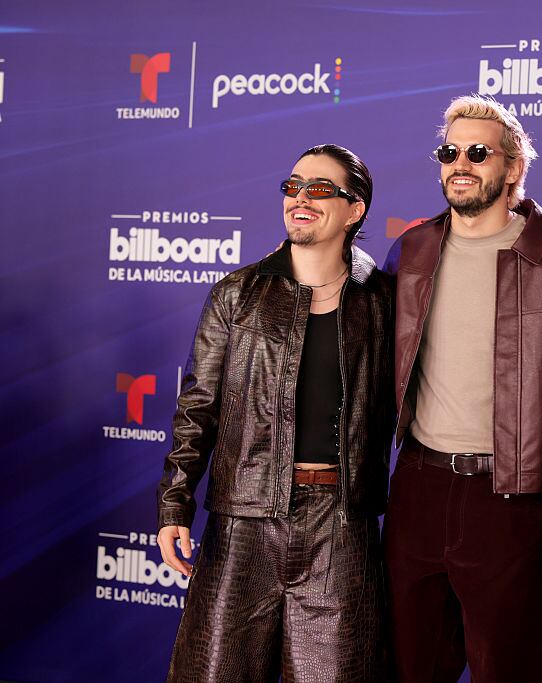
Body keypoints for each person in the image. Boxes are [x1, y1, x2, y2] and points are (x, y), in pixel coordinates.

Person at [156, 144, 393, 682]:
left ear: (355, 209)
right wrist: (174, 506)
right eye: (292, 186)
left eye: (319, 189)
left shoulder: (383, 300)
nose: (300, 198)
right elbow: (197, 410)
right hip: (242, 524)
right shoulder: (237, 295)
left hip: (343, 527)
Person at [382, 95, 542, 682]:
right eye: (449, 152)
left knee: (509, 669)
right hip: (417, 485)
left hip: (509, 498)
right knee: (412, 666)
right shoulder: (411, 252)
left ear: (513, 167)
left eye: (477, 152)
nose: (459, 164)